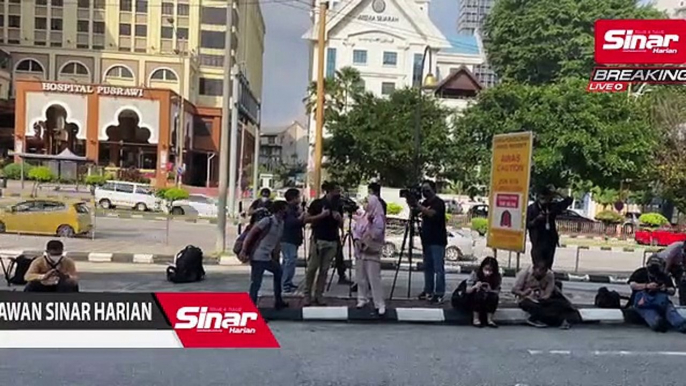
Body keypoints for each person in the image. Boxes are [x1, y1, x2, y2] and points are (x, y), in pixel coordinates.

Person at [240, 200, 289, 310]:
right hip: (258, 255)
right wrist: (244, 250)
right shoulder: (267, 221)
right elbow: (251, 234)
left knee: (278, 272)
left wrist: (276, 256)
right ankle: (251, 306)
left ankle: (278, 300)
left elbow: (277, 242)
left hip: (267, 256)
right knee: (256, 282)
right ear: (280, 210)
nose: (287, 212)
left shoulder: (281, 223)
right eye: (285, 209)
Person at [303, 181, 344, 305]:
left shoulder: (339, 205)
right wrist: (321, 215)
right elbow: (306, 219)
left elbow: (342, 224)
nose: (338, 193)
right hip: (318, 239)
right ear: (329, 191)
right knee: (312, 268)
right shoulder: (317, 204)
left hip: (332, 239)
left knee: (325, 270)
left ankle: (319, 294)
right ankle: (307, 294)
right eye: (336, 191)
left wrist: (340, 219)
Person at [628, 256, 686, 333]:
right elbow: (632, 285)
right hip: (644, 303)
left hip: (661, 301)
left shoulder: (664, 275)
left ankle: (681, 324)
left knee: (671, 311)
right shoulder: (641, 272)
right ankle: (658, 324)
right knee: (650, 314)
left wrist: (664, 289)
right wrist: (647, 286)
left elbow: (672, 290)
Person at [512, 261, 578, 329]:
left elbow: (548, 293)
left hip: (541, 299)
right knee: (534, 307)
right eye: (539, 272)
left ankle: (539, 318)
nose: (541, 274)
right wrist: (524, 293)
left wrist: (542, 298)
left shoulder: (549, 274)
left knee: (561, 304)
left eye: (543, 272)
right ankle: (558, 320)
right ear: (534, 269)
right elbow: (514, 290)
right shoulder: (524, 273)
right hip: (526, 298)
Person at [353, 195, 387, 315]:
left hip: (371, 251)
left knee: (374, 278)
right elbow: (356, 229)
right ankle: (362, 299)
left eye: (368, 202)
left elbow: (378, 232)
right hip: (360, 250)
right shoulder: (363, 216)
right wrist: (357, 240)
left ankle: (379, 303)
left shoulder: (378, 217)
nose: (366, 205)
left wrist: (371, 224)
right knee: (360, 277)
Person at [526, 185, 573, 270]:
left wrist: (558, 192)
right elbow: (527, 225)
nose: (544, 201)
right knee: (538, 268)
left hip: (550, 242)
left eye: (547, 198)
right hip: (537, 243)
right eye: (542, 198)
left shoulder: (551, 207)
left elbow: (569, 200)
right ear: (538, 197)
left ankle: (547, 281)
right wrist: (537, 220)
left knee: (547, 269)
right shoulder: (532, 209)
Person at [416, 180, 447, 303]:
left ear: (434, 190)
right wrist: (412, 202)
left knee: (438, 268)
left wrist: (419, 206)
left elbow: (431, 214)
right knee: (427, 267)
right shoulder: (424, 202)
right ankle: (428, 290)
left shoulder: (438, 203)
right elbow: (416, 212)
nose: (425, 193)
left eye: (427, 190)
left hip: (437, 240)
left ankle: (439, 292)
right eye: (423, 190)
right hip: (426, 240)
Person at [464, 257, 501, 328]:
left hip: (487, 298)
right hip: (473, 297)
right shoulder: (476, 273)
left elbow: (497, 291)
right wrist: (475, 286)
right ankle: (476, 319)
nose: (488, 272)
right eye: (486, 269)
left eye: (490, 270)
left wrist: (490, 290)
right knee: (479, 295)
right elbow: (467, 291)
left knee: (494, 297)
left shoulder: (496, 277)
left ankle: (489, 319)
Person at [281, 188, 305, 293]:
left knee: (289, 261)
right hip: (288, 238)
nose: (299, 199)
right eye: (298, 197)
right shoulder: (288, 209)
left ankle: (287, 281)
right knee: (290, 260)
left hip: (293, 238)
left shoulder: (295, 209)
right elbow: (292, 222)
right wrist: (302, 216)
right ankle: (285, 284)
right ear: (293, 198)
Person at [653, 241, 686, 306]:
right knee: (663, 279)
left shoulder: (683, 252)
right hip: (662, 261)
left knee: (682, 281)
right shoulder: (678, 246)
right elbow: (669, 258)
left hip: (675, 264)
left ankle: (683, 303)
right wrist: (666, 271)